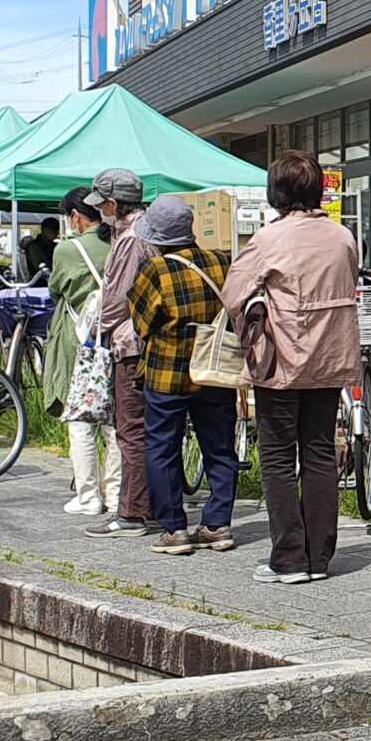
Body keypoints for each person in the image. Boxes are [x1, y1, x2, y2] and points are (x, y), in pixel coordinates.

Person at [225, 151, 359, 583]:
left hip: (282, 358)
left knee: (279, 457)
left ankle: (288, 558)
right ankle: (319, 558)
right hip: (331, 356)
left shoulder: (270, 239)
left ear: (275, 194)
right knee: (320, 451)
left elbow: (232, 292)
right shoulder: (342, 236)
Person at [127, 195, 238, 555]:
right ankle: (218, 525)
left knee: (162, 448)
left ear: (156, 237)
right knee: (220, 447)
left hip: (168, 374)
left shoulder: (154, 270)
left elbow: (142, 324)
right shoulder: (222, 262)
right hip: (215, 369)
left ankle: (174, 529)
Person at [87, 168, 158, 538]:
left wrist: (98, 329)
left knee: (131, 430)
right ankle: (158, 506)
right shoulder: (146, 229)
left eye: (102, 205)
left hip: (131, 342)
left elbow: (119, 298)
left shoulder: (131, 237)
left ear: (113, 203)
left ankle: (132, 513)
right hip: (151, 340)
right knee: (154, 430)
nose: (100, 211)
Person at [42, 187, 119, 518]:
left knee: (81, 421)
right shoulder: (119, 242)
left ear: (75, 216)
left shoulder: (68, 249)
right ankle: (117, 495)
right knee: (115, 424)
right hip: (116, 339)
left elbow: (56, 289)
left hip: (82, 344)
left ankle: (88, 496)